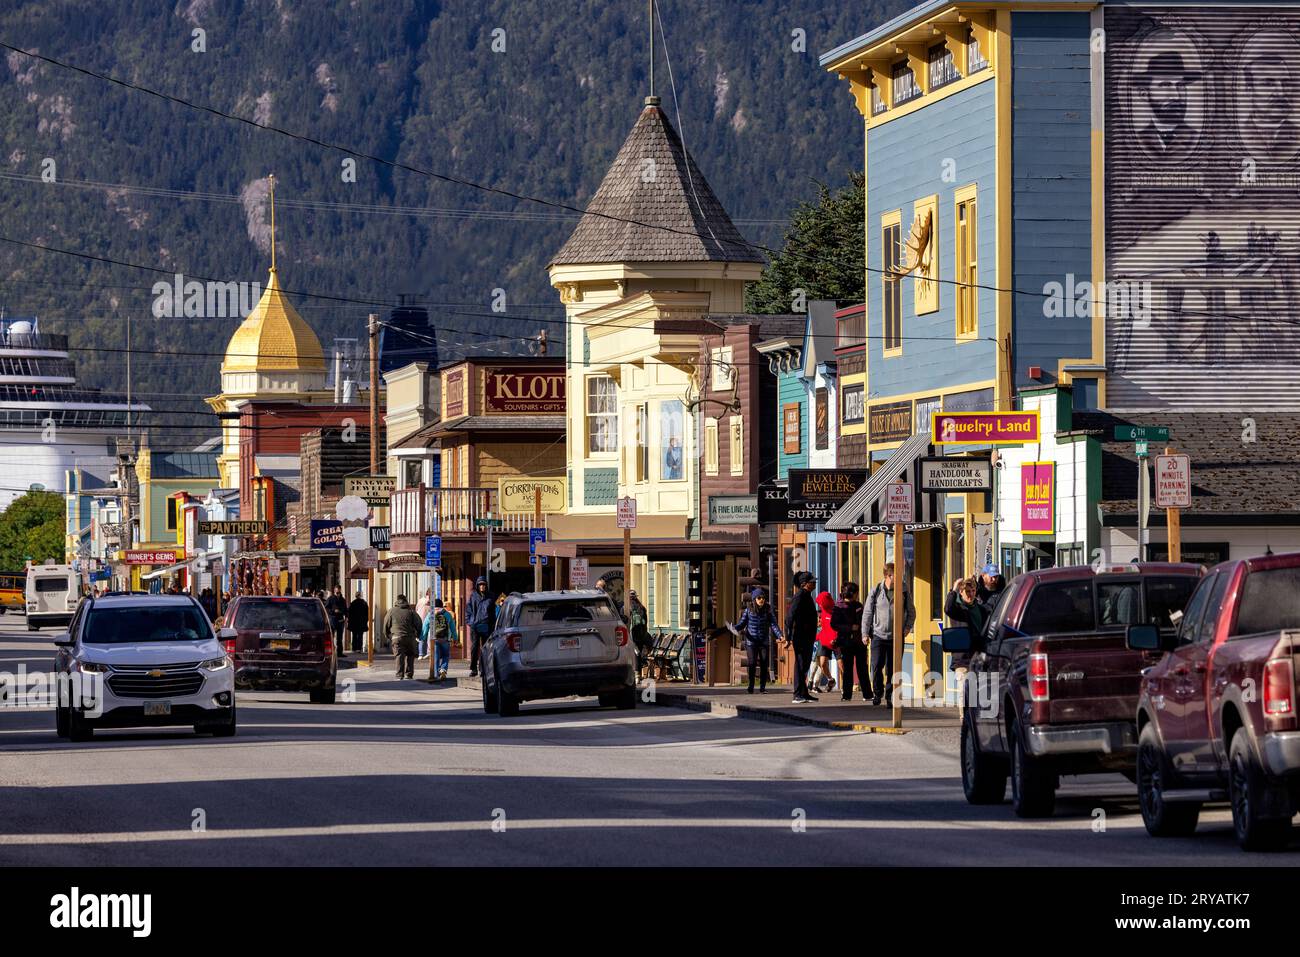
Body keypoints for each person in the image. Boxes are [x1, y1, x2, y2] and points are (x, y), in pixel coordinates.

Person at [862, 562, 915, 707]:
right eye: (895, 575)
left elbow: (912, 611)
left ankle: (890, 696)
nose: (899, 578)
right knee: (877, 665)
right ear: (887, 575)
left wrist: (907, 627)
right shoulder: (876, 590)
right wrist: (865, 633)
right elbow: (867, 613)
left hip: (896, 636)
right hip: (879, 635)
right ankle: (877, 693)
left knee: (893, 668)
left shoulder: (903, 590)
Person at [945, 577, 991, 717]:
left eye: (972, 590)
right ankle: (965, 721)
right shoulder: (958, 609)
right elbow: (947, 608)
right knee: (965, 691)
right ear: (961, 592)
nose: (970, 594)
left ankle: (978, 722)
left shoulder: (982, 609)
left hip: (979, 655)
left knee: (980, 691)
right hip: (962, 658)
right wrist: (953, 590)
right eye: (967, 591)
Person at [733, 588, 781, 694]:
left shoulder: (768, 610)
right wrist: (735, 628)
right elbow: (742, 623)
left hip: (763, 641)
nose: (761, 600)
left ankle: (762, 687)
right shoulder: (748, 610)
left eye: (763, 598)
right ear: (754, 599)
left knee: (764, 663)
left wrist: (780, 636)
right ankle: (751, 686)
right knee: (752, 663)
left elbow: (773, 624)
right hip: (751, 642)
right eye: (759, 598)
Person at [784, 572, 820, 703]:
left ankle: (804, 693)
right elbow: (789, 617)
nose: (814, 583)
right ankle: (797, 694)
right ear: (804, 584)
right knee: (800, 664)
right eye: (812, 581)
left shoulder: (807, 596)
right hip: (801, 636)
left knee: (805, 665)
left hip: (808, 637)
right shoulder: (799, 596)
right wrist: (787, 637)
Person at [832, 582, 870, 702]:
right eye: (857, 593)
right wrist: (850, 627)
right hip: (846, 641)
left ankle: (867, 694)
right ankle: (847, 695)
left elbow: (865, 621)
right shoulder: (839, 607)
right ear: (853, 594)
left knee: (861, 668)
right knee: (848, 668)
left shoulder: (859, 605)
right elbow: (834, 624)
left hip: (858, 641)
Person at [383, 594, 422, 680]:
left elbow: (386, 624)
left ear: (397, 600)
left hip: (396, 637)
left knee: (399, 656)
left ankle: (399, 675)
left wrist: (387, 635)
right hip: (410, 637)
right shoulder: (411, 611)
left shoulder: (391, 611)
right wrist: (418, 634)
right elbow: (419, 623)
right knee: (410, 655)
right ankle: (409, 674)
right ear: (406, 600)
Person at [465, 577, 495, 678]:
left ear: (486, 585)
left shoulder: (491, 596)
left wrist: (493, 625)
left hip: (486, 625)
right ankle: (473, 669)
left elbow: (493, 613)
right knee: (474, 647)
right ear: (477, 586)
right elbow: (468, 610)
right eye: (480, 584)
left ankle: (483, 669)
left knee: (485, 649)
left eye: (484, 584)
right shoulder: (473, 596)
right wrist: (470, 622)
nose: (482, 586)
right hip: (475, 625)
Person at [424, 598, 457, 681]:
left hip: (434, 639)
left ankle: (435, 674)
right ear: (442, 605)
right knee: (446, 655)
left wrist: (422, 637)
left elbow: (425, 627)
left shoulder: (430, 614)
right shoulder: (447, 614)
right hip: (445, 638)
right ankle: (443, 669)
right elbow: (452, 627)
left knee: (436, 656)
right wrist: (455, 638)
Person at [812, 591, 838, 694]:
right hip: (825, 640)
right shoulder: (822, 612)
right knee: (822, 664)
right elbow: (824, 628)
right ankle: (831, 680)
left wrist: (836, 638)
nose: (820, 605)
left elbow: (837, 627)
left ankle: (846, 685)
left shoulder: (835, 611)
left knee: (841, 664)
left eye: (822, 603)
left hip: (835, 641)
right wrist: (816, 637)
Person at [627, 589, 651, 674]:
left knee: (633, 653)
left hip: (631, 634)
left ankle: (634, 673)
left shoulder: (626, 608)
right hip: (641, 634)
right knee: (638, 653)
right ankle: (639, 674)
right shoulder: (642, 607)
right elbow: (646, 622)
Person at [325, 586, 348, 657]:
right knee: (331, 637)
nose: (338, 593)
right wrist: (333, 611)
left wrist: (346, 618)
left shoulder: (343, 600)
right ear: (334, 591)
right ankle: (331, 652)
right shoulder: (330, 599)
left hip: (340, 620)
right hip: (333, 619)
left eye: (339, 592)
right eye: (337, 592)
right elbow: (326, 608)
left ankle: (339, 653)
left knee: (340, 638)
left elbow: (345, 610)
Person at [347, 590, 369, 655]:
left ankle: (354, 648)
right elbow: (367, 613)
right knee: (360, 635)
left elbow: (349, 613)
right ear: (360, 596)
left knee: (354, 635)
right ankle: (359, 648)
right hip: (361, 622)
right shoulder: (364, 603)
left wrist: (350, 621)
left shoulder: (353, 603)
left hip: (354, 623)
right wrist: (366, 620)